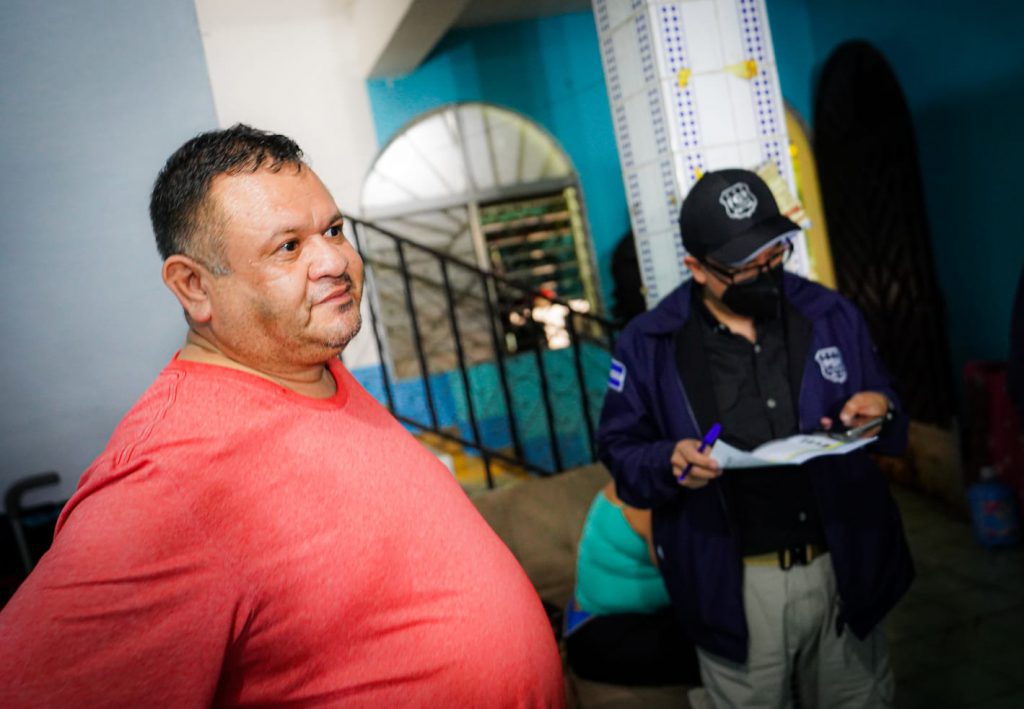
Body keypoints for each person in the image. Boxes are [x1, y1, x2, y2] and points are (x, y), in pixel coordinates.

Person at [0, 125, 564, 707]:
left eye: (334, 230)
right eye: (288, 247)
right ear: (193, 286)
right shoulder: (163, 481)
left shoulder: (309, 364)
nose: (335, 261)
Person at [596, 168, 914, 708]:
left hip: (843, 567)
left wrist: (880, 409)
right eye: (745, 268)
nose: (765, 275)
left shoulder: (830, 314)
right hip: (738, 586)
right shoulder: (650, 344)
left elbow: (887, 405)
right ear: (697, 268)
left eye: (773, 257)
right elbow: (619, 450)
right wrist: (667, 460)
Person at [564, 481, 700, 688]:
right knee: (714, 645)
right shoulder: (648, 501)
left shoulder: (634, 479)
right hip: (599, 634)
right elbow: (688, 577)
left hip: (611, 622)